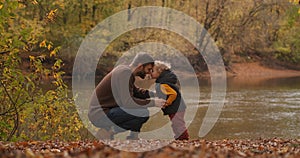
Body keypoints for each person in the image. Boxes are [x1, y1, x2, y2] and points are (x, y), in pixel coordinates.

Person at [88, 52, 165, 140]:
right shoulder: (124, 73)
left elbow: (137, 92)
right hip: (100, 115)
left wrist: (155, 93)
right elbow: (128, 102)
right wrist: (153, 103)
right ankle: (108, 132)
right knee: (143, 113)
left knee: (141, 111)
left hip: (105, 112)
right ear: (140, 66)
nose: (148, 73)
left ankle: (133, 137)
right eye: (148, 69)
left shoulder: (126, 71)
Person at [150, 60, 189, 140]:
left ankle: (184, 138)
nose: (150, 73)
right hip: (176, 107)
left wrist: (168, 102)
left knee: (178, 123)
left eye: (152, 71)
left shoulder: (163, 83)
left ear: (159, 71)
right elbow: (165, 93)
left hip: (176, 107)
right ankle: (178, 138)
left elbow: (173, 94)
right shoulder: (165, 81)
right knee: (175, 123)